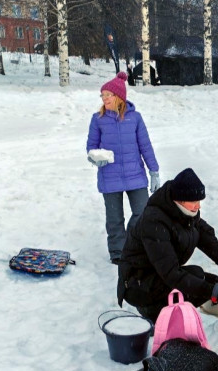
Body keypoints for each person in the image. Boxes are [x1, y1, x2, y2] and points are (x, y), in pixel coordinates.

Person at [116, 168, 218, 321]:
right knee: (205, 285)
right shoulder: (154, 222)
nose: (198, 206)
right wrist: (217, 293)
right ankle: (157, 316)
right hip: (137, 284)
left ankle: (173, 309)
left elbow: (215, 247)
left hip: (158, 276)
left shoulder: (187, 216)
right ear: (179, 199)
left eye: (199, 200)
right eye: (194, 201)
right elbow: (171, 273)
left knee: (213, 282)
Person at [87, 72, 160, 264]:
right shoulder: (98, 119)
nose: (104, 99)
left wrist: (154, 171)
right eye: (102, 96)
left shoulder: (135, 118)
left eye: (107, 95)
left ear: (118, 96)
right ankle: (118, 253)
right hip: (109, 176)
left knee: (143, 213)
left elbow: (145, 145)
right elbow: (91, 147)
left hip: (135, 174)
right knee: (114, 219)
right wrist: (96, 158)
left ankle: (130, 243)